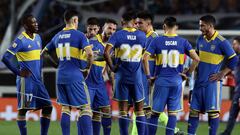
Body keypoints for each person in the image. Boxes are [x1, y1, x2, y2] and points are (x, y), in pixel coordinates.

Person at [143, 16, 200, 135]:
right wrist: (187, 74)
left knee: (154, 114)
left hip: (161, 81)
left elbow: (145, 58)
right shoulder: (183, 42)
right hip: (176, 81)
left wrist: (149, 76)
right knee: (172, 114)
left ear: (164, 27)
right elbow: (196, 59)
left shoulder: (157, 41)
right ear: (176, 27)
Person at [41, 9, 93, 135]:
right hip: (75, 75)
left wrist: (56, 65)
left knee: (66, 108)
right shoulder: (80, 35)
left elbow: (43, 53)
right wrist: (87, 68)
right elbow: (90, 53)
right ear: (75, 20)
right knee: (85, 108)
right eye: (77, 21)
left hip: (61, 76)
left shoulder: (57, 36)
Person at [2, 14, 52, 135]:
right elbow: (5, 58)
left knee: (48, 107)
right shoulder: (20, 40)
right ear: (25, 26)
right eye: (33, 23)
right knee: (23, 110)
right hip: (26, 81)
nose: (36, 24)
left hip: (37, 80)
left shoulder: (38, 38)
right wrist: (18, 72)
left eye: (36, 22)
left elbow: (38, 57)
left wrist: (39, 73)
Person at [187, 15, 238, 135]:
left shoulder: (222, 42)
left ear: (210, 26)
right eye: (200, 25)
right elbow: (196, 58)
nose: (200, 28)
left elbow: (234, 59)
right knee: (193, 111)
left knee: (213, 113)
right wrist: (190, 72)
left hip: (212, 84)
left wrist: (222, 73)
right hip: (199, 82)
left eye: (202, 25)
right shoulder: (200, 39)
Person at [104, 11, 147, 135]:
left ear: (122, 22)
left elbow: (106, 52)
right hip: (137, 77)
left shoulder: (117, 35)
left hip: (121, 76)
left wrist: (112, 67)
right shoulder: (142, 36)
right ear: (134, 23)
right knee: (139, 110)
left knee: (123, 110)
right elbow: (144, 56)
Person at [84, 17, 112, 135]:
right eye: (90, 29)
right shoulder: (83, 40)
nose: (92, 32)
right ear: (87, 28)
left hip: (99, 83)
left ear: (98, 29)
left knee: (106, 111)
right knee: (86, 112)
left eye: (94, 29)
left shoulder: (102, 43)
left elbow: (105, 58)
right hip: (88, 83)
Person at [220, 36, 240, 135]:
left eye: (235, 43)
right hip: (237, 90)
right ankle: (227, 133)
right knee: (232, 114)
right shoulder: (237, 58)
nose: (233, 45)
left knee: (233, 113)